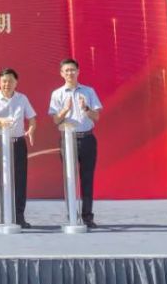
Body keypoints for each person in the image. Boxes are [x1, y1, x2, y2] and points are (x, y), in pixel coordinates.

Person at [48, 58, 103, 229]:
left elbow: (97, 116)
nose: (70, 73)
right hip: (67, 139)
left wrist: (86, 108)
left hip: (87, 138)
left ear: (78, 71)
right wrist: (65, 109)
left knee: (87, 178)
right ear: (61, 73)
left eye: (73, 70)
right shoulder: (57, 94)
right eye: (66, 70)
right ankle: (72, 214)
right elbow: (55, 120)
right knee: (69, 178)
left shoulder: (88, 91)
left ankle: (87, 216)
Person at [0, 68, 36, 228]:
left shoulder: (22, 98)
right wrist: (0, 121)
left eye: (10, 81)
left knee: (20, 179)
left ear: (16, 82)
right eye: (4, 81)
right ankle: (0, 216)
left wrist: (31, 129)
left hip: (18, 142)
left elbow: (32, 118)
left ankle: (19, 216)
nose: (7, 84)